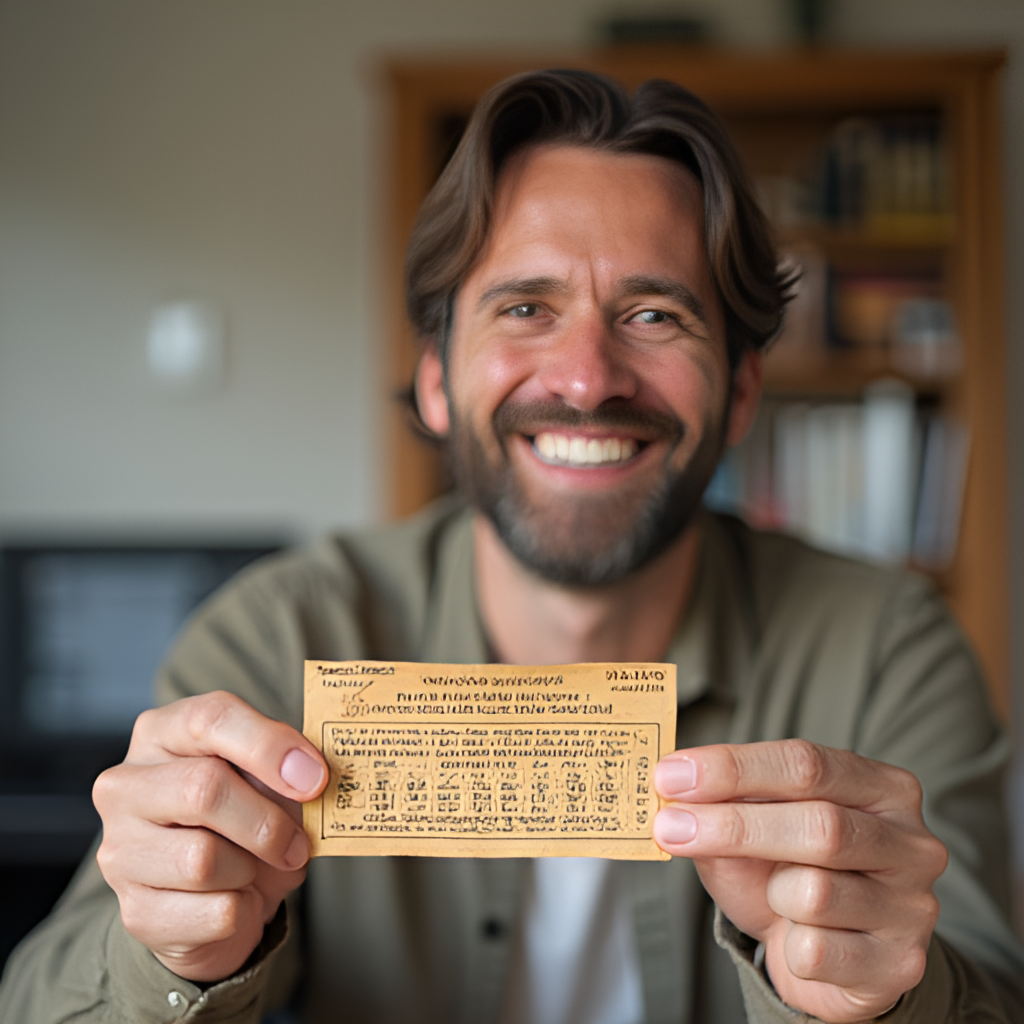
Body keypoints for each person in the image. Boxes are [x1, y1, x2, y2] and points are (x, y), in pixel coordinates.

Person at [1, 69, 1021, 1024]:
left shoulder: (890, 652)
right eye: (525, 307)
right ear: (437, 380)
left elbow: (991, 984)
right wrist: (173, 957)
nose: (585, 378)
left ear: (742, 391)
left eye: (654, 313)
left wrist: (887, 995)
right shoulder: (278, 638)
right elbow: (39, 996)